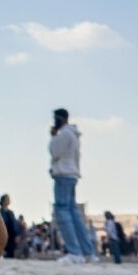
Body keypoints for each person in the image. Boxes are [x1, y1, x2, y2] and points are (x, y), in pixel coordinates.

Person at [49, 108, 95, 263]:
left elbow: (54, 152)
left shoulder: (65, 134)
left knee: (63, 212)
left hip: (63, 175)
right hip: (72, 175)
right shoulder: (74, 135)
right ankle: (87, 252)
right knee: (74, 215)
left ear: (61, 118)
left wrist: (53, 136)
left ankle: (74, 252)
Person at [0, 194, 18, 259]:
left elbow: (15, 224)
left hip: (11, 236)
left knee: (10, 254)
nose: (9, 200)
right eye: (7, 199)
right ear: (4, 200)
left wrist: (16, 235)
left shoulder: (11, 212)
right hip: (2, 234)